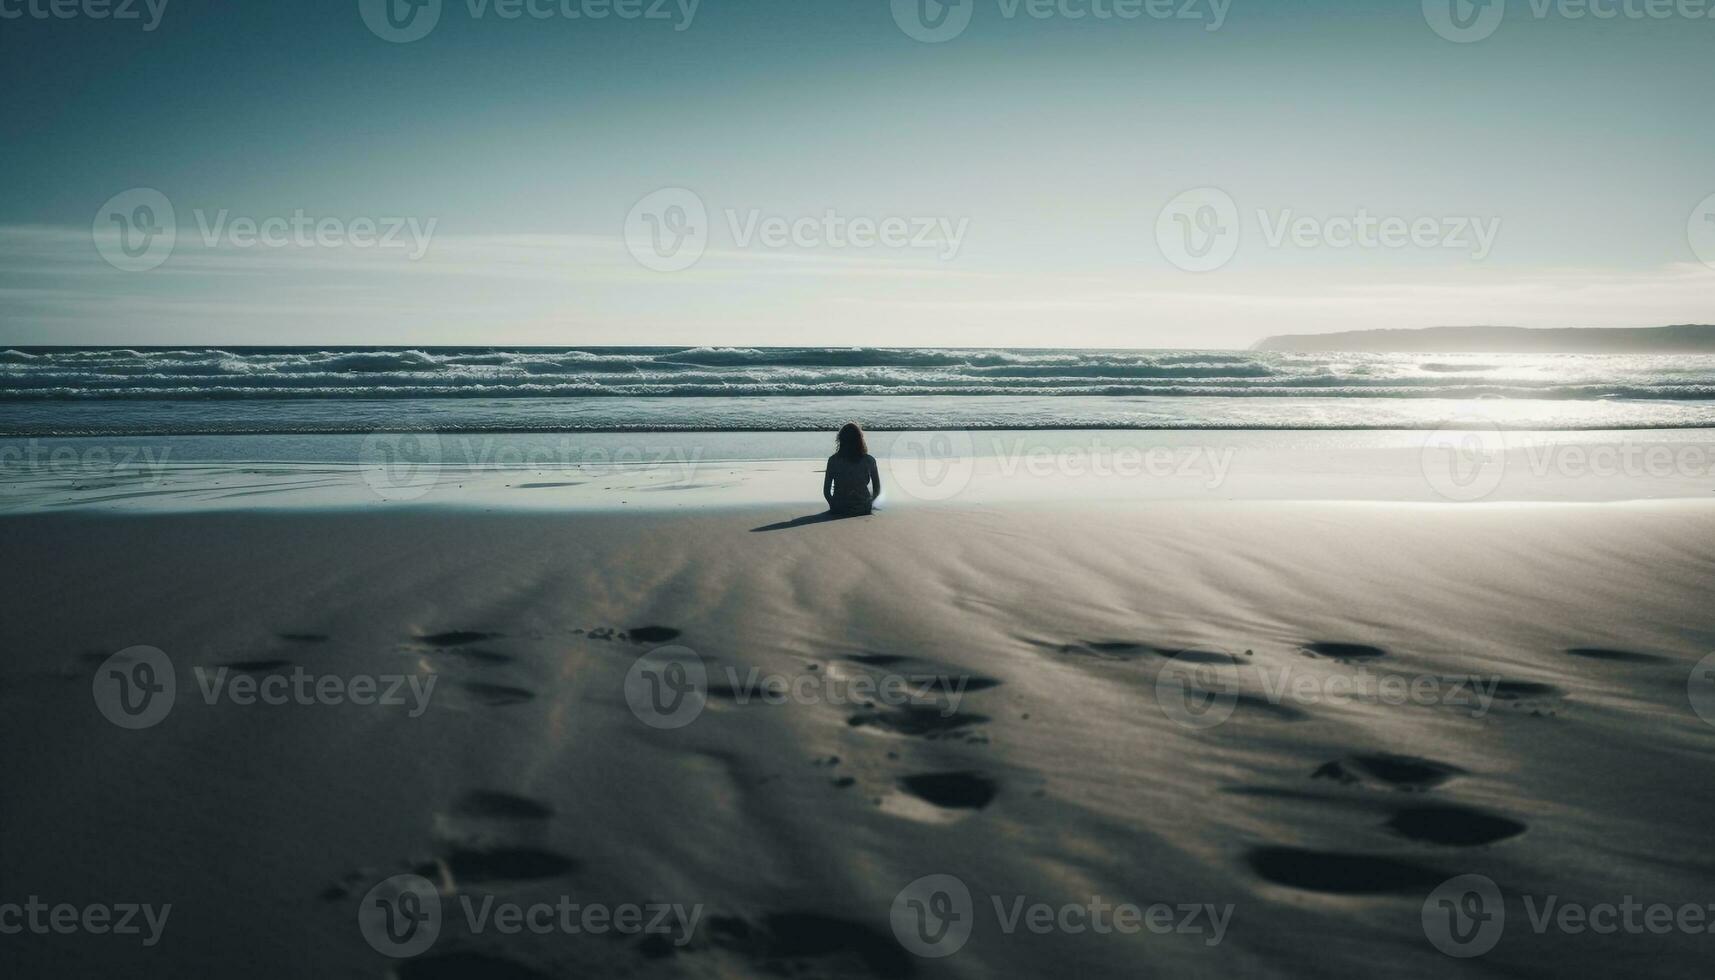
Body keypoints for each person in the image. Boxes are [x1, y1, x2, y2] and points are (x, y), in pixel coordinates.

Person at [824, 422, 881, 516]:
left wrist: (833, 504)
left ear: (840, 439)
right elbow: (877, 489)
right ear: (860, 439)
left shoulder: (833, 460)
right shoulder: (869, 460)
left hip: (839, 507)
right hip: (863, 507)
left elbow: (826, 491)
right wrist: (869, 502)